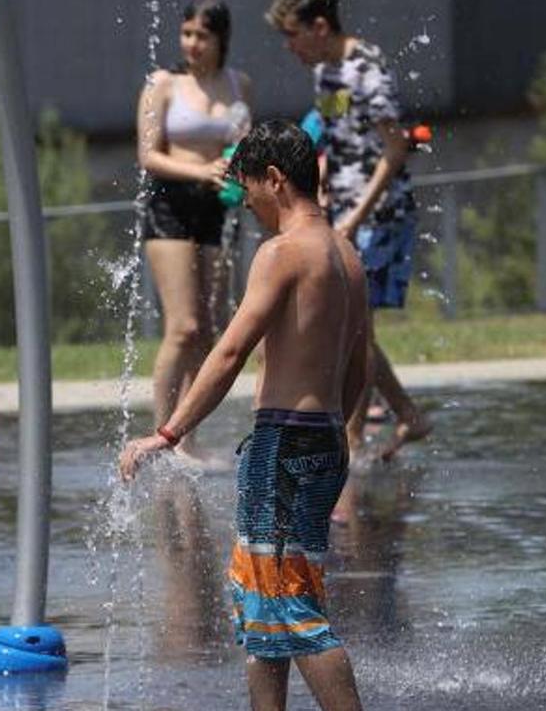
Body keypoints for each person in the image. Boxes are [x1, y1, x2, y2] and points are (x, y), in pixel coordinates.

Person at [121, 121, 368, 711]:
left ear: (276, 181)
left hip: (284, 443)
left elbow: (229, 351)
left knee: (291, 607)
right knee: (261, 602)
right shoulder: (347, 255)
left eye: (250, 189)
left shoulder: (281, 252)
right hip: (325, 437)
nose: (248, 204)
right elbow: (358, 366)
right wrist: (332, 435)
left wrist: (168, 431)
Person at [266, 0, 430, 463]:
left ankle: (354, 441)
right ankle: (405, 416)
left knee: (355, 326)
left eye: (293, 34)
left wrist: (357, 215)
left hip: (379, 214)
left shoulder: (367, 69)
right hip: (344, 212)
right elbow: (336, 140)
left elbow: (396, 147)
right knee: (351, 326)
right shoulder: (327, 75)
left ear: (320, 26)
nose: (288, 46)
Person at [137, 0, 253, 457]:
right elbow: (148, 155)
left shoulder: (238, 84)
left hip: (217, 206)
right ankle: (159, 431)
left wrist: (235, 170)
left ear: (221, 38)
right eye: (186, 33)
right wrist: (201, 171)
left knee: (208, 329)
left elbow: (243, 147)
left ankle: (187, 437)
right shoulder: (162, 84)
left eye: (201, 36)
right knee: (182, 326)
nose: (191, 44)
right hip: (170, 204)